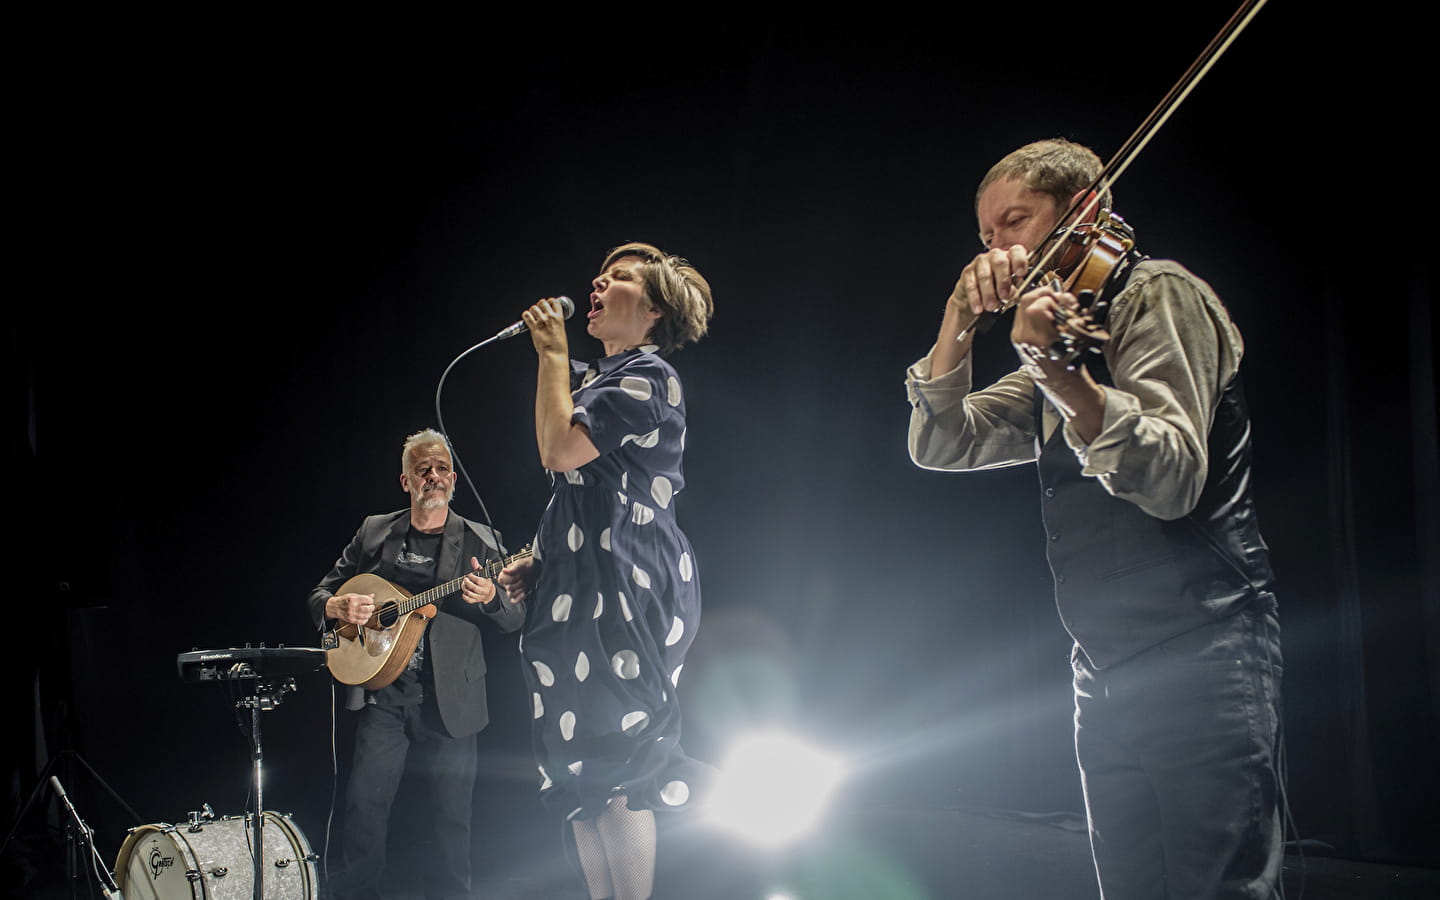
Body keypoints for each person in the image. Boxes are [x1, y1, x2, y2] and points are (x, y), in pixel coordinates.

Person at [905, 139, 1283, 899]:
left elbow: (1173, 476)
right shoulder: (1055, 337)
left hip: (1202, 647)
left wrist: (1061, 377)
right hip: (1104, 667)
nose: (1001, 250)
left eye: (1017, 221)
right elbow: (941, 442)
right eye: (986, 237)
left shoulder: (1157, 295)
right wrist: (958, 317)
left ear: (1084, 212)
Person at [498, 242, 714, 900]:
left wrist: (552, 353)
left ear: (652, 310)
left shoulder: (650, 376)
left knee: (618, 763)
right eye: (601, 271)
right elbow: (575, 487)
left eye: (618, 278)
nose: (598, 280)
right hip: (576, 584)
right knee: (581, 773)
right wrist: (540, 559)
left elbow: (561, 450)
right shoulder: (595, 380)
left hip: (628, 578)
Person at [306, 429, 526, 900]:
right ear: (405, 481)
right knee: (363, 814)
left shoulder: (480, 540)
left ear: (454, 479)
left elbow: (514, 618)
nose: (434, 476)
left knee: (451, 824)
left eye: (442, 467)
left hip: (452, 699)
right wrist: (336, 609)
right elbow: (321, 593)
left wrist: (490, 599)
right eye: (422, 469)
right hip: (383, 696)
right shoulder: (374, 532)